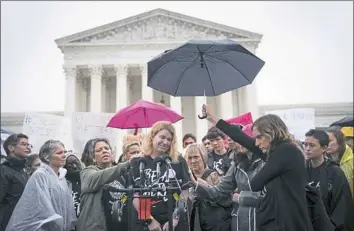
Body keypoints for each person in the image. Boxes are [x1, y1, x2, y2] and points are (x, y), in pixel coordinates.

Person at [194, 104, 313, 231]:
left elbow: (255, 184)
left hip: (288, 223)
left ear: (271, 132)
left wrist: (241, 195)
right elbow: (243, 139)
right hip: (281, 222)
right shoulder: (281, 151)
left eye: (259, 137)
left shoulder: (285, 150)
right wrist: (215, 120)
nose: (256, 142)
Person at [131, 121, 191, 231]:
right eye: (162, 137)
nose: (165, 142)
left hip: (173, 221)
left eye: (169, 139)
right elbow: (136, 195)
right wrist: (149, 221)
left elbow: (184, 192)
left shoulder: (178, 161)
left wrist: (174, 219)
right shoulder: (138, 161)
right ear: (152, 136)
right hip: (146, 223)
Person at [5, 140, 77, 231]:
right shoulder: (40, 175)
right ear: (47, 157)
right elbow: (40, 208)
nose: (63, 155)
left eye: (64, 152)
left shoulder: (62, 177)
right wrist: (55, 224)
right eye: (59, 153)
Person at [76, 138, 134, 231]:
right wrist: (127, 164)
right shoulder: (87, 172)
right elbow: (97, 178)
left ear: (112, 153)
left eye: (106, 148)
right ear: (93, 157)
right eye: (99, 150)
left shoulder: (123, 175)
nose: (104, 151)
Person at [304, 129, 351, 230]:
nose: (307, 148)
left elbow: (342, 207)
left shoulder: (335, 172)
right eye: (305, 144)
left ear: (324, 148)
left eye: (312, 145)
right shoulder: (301, 170)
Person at [184, 143, 231, 231]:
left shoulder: (214, 175)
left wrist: (207, 187)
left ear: (203, 157)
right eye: (189, 158)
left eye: (196, 157)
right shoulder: (185, 178)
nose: (193, 161)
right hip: (194, 224)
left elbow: (227, 200)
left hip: (216, 225)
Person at [102, 140, 141, 231]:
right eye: (133, 152)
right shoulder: (117, 171)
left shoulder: (142, 170)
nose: (136, 155)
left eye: (138, 152)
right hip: (119, 219)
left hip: (139, 220)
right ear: (125, 155)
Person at [0, 133, 31, 229]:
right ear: (11, 148)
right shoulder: (3, 170)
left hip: (22, 222)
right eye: (23, 144)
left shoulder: (25, 170)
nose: (28, 148)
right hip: (7, 223)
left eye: (28, 145)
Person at [326, 127, 354, 198]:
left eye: (329, 140)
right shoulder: (323, 161)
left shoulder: (351, 161)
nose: (326, 144)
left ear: (339, 141)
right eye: (325, 141)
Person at [64, 152, 83, 217]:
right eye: (70, 164)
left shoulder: (87, 181)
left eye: (76, 163)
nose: (74, 166)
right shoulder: (62, 184)